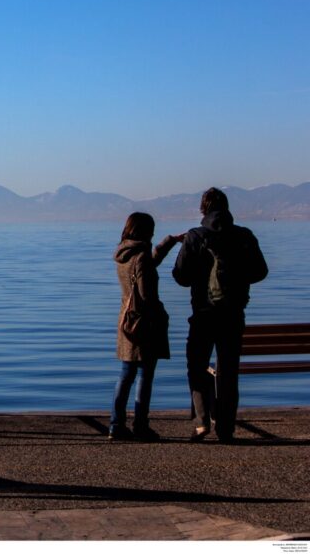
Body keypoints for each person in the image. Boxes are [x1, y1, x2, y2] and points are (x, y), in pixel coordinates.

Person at [172, 188, 268, 443]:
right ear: (227, 208)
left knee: (196, 366)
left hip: (203, 314)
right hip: (233, 314)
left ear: (203, 209)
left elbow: (180, 277)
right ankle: (226, 428)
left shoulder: (195, 236)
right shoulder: (243, 236)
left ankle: (202, 422)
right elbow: (261, 271)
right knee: (228, 371)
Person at [110, 212, 183, 441]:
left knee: (125, 374)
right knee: (144, 375)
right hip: (144, 324)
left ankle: (116, 425)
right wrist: (161, 313)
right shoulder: (141, 257)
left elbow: (149, 264)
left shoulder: (124, 254)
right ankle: (140, 425)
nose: (153, 233)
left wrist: (169, 241)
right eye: (151, 229)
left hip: (126, 321)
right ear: (144, 231)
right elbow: (146, 293)